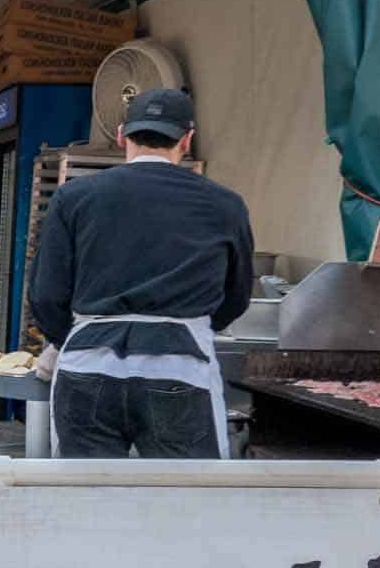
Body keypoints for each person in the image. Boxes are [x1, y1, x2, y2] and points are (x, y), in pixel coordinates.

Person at [28, 89, 254, 459]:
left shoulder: (75, 197)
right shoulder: (225, 204)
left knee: (84, 502)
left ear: (121, 135)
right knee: (183, 504)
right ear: (187, 139)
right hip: (181, 366)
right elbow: (237, 295)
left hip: (88, 364)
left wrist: (76, 335)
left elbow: (45, 295)